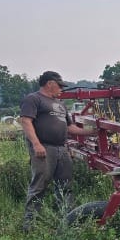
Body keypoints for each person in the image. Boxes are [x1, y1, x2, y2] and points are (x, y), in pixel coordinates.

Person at [19, 71, 96, 231]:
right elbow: (26, 121)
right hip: (44, 148)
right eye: (59, 86)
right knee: (40, 184)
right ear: (50, 83)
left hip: (61, 148)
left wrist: (93, 132)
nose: (61, 89)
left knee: (65, 185)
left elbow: (70, 127)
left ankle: (68, 218)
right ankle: (30, 224)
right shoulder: (33, 99)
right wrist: (36, 144)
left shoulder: (60, 104)